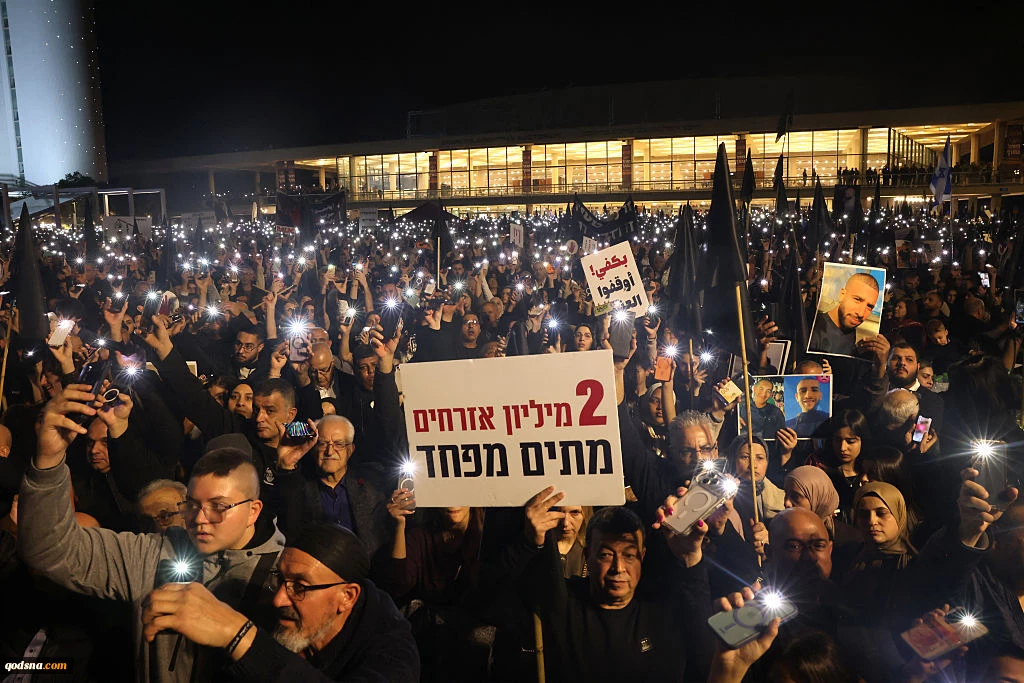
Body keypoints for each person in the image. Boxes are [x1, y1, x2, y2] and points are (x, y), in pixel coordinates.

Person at [19, 384, 285, 682]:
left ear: (254, 511)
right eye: (192, 505)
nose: (200, 519)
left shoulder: (285, 579)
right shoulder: (152, 554)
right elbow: (51, 550)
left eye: (219, 507)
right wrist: (48, 460)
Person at [141, 522, 420, 682]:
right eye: (281, 580)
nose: (279, 599)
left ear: (347, 597)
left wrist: (240, 636)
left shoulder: (393, 652)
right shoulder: (272, 609)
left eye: (300, 587)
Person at [515, 489, 715, 681]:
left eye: (629, 555)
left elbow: (705, 659)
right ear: (588, 556)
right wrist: (530, 540)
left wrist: (690, 556)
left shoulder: (662, 607)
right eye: (606, 555)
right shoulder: (564, 603)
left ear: (642, 556)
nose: (618, 568)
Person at [809, 272, 880, 356]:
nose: (861, 314)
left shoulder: (850, 329)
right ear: (842, 295)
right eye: (857, 299)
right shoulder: (813, 329)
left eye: (869, 306)